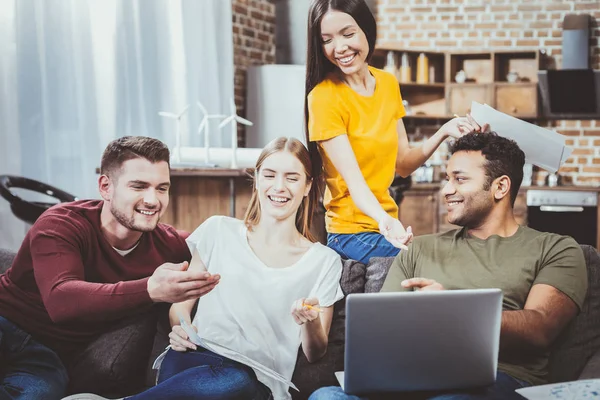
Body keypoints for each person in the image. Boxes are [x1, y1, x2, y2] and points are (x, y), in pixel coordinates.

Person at [309, 132, 587, 400]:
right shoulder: (419, 248)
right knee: (325, 396)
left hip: (491, 383)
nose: (447, 190)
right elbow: (382, 334)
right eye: (447, 179)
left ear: (500, 187)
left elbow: (541, 328)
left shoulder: (555, 248)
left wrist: (452, 312)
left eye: (460, 179)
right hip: (407, 380)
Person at [66, 137, 344, 400]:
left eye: (292, 178)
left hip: (256, 382)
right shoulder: (218, 230)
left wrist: (308, 322)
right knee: (218, 377)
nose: (279, 186)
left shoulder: (323, 261)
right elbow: (181, 308)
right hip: (193, 355)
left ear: (308, 186)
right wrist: (182, 328)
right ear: (257, 179)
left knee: (237, 379)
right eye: (270, 175)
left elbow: (315, 353)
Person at [0, 136, 219, 400]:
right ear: (106, 186)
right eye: (139, 186)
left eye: (162, 188)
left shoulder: (172, 245)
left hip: (45, 357)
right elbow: (61, 300)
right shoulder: (60, 224)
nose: (153, 200)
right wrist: (150, 289)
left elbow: (228, 255)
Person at [305, 0, 487, 264]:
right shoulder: (323, 97)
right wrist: (385, 221)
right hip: (349, 231)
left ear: (367, 29)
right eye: (327, 40)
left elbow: (403, 164)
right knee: (425, 269)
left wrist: (444, 132)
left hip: (383, 223)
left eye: (348, 34)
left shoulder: (388, 84)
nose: (340, 47)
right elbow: (355, 184)